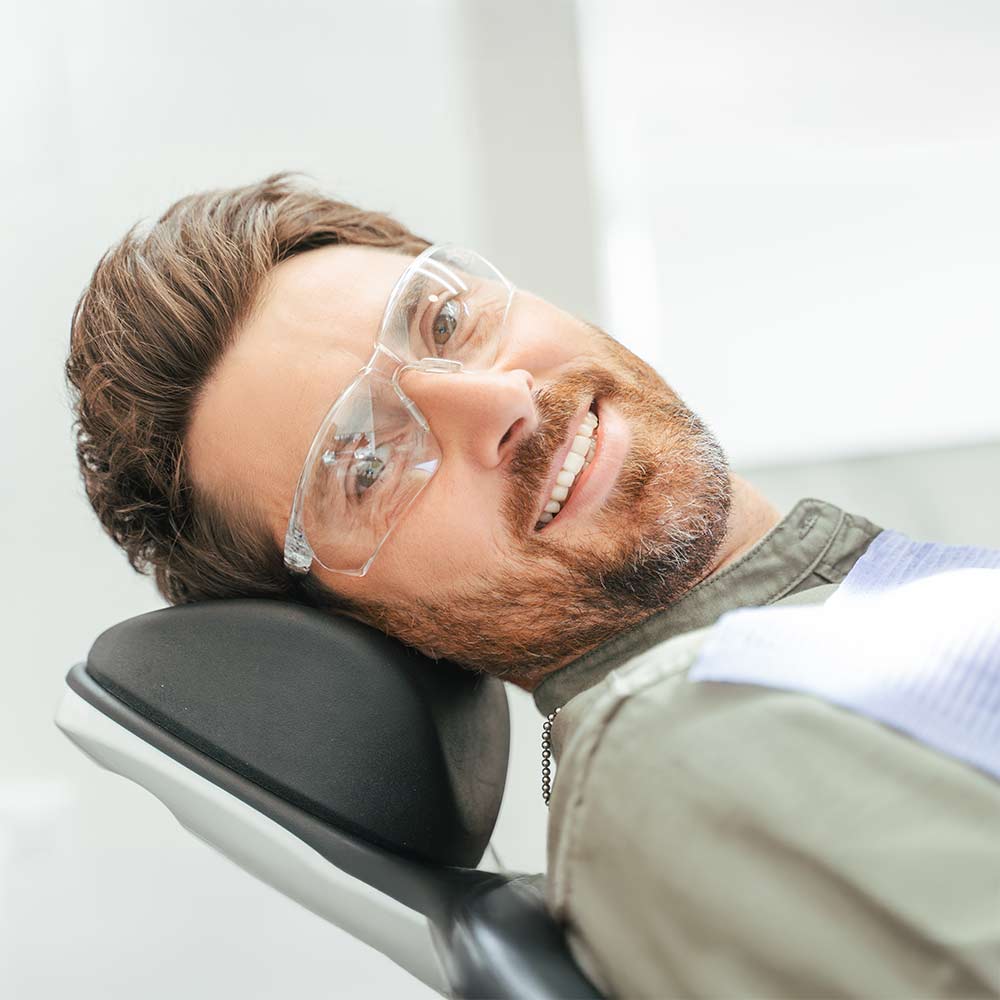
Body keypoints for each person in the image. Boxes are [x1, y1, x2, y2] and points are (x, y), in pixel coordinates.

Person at [66, 173, 1000, 997]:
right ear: (368, 627)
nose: (501, 399)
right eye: (365, 464)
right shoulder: (686, 757)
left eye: (442, 322)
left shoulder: (828, 635)